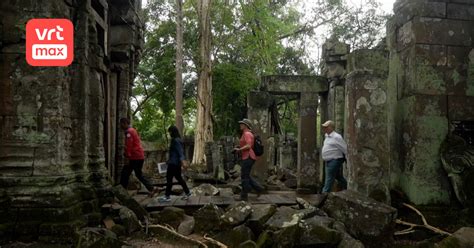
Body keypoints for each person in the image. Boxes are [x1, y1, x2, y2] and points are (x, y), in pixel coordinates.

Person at [119, 118, 158, 196]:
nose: (121, 126)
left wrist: (127, 156)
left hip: (134, 157)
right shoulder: (133, 130)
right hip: (139, 156)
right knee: (138, 174)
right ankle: (152, 188)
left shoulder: (129, 132)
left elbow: (129, 145)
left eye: (121, 124)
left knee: (125, 173)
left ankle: (122, 193)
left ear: (125, 123)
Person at [158, 125, 191, 202]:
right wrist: (168, 160)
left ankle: (167, 196)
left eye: (170, 132)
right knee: (179, 178)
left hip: (173, 164)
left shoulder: (175, 140)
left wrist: (183, 161)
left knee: (169, 179)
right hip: (175, 163)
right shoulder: (178, 139)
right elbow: (175, 152)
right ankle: (187, 192)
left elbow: (180, 152)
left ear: (173, 132)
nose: (169, 134)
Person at [234, 118, 264, 201]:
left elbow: (248, 146)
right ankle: (258, 189)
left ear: (246, 125)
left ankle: (244, 196)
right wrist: (238, 148)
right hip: (247, 156)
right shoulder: (246, 133)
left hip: (248, 157)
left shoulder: (247, 134)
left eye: (242, 124)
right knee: (245, 175)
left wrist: (239, 150)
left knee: (244, 177)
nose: (240, 125)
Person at [321, 120, 348, 193]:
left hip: (335, 160)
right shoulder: (327, 136)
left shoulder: (337, 137)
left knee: (329, 179)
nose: (324, 128)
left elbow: (345, 149)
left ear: (331, 128)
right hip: (328, 161)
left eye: (326, 127)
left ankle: (324, 195)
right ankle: (348, 187)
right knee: (338, 177)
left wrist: (346, 160)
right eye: (324, 127)